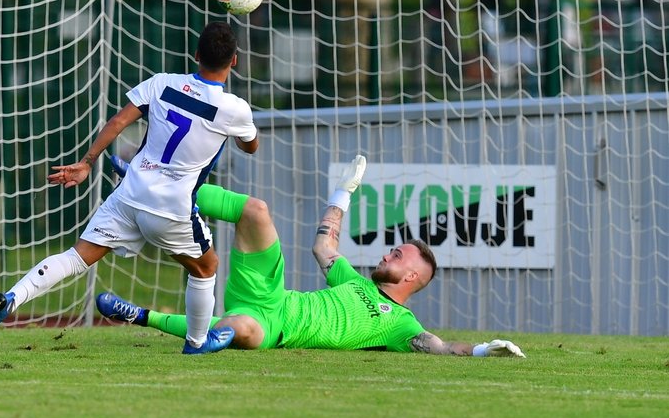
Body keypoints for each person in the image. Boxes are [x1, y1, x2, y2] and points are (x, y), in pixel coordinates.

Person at [0, 21, 260, 354]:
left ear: (195, 55)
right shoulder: (235, 109)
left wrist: (87, 162)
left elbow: (118, 122)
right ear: (234, 61)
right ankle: (196, 343)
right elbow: (250, 146)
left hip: (130, 193)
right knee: (206, 268)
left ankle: (11, 298)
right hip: (170, 208)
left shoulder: (162, 83)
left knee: (76, 257)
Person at [97, 155, 526, 358]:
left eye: (397, 254)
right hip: (272, 293)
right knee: (256, 212)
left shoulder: (402, 325)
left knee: (239, 330)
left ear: (412, 275)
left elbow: (440, 346)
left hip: (274, 326)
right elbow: (323, 246)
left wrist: (486, 350)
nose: (387, 253)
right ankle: (159, 187)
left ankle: (139, 315)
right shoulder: (353, 281)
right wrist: (344, 193)